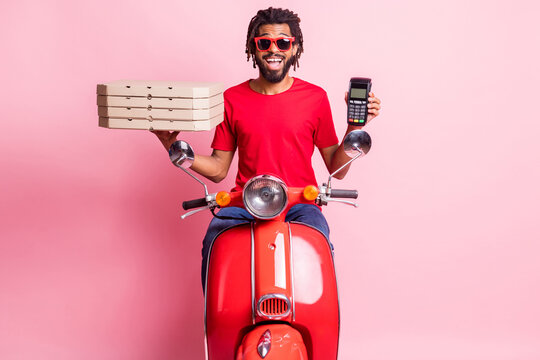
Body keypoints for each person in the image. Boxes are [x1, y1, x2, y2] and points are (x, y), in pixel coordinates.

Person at [152, 7, 381, 289]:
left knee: (320, 246)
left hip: (300, 203)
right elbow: (218, 169)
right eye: (265, 42)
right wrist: (173, 147)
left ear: (295, 49)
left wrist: (354, 128)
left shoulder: (315, 98)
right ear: (254, 47)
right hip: (244, 204)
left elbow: (337, 168)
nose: (275, 49)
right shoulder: (231, 99)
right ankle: (215, 325)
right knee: (214, 242)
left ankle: (316, 326)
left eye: (283, 42)